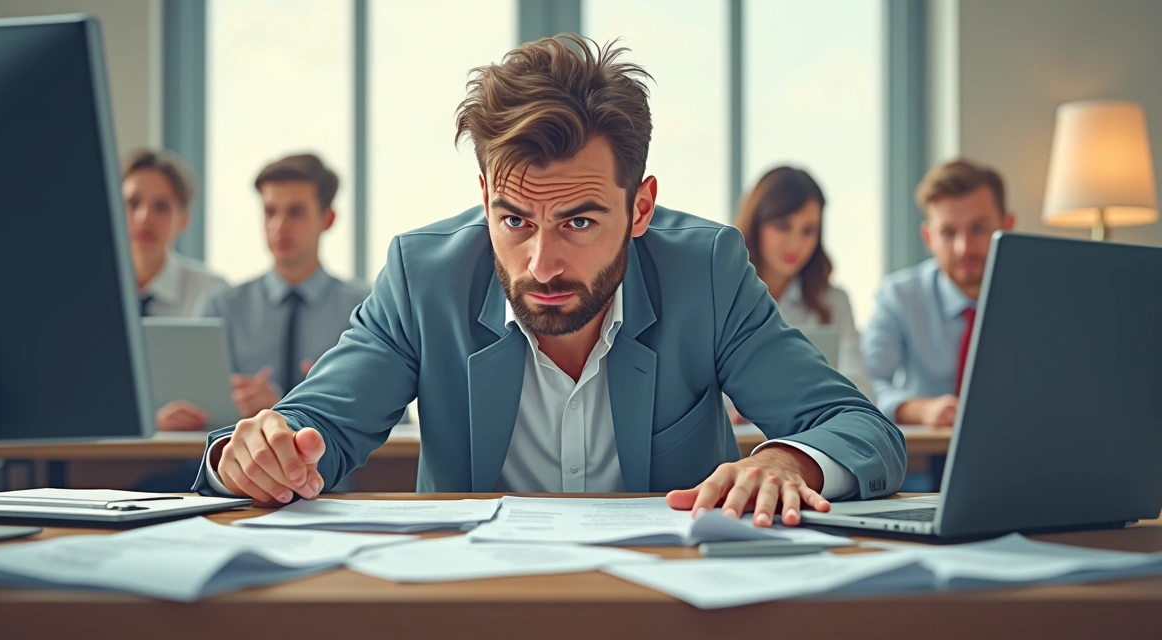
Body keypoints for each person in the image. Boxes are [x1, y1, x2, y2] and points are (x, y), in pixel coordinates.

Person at [192, 35, 905, 528]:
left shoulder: (708, 271)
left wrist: (788, 459)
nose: (541, 264)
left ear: (642, 207)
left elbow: (862, 430)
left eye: (580, 222)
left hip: (670, 608)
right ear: (484, 201)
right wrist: (251, 455)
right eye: (514, 220)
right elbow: (311, 427)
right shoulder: (424, 277)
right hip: (481, 610)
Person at [156, 154, 372, 432]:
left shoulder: (364, 308)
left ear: (327, 219)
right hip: (235, 469)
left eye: (295, 212)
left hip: (336, 472)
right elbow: (191, 402)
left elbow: (396, 418)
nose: (279, 226)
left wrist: (294, 409)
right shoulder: (222, 307)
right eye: (270, 211)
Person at [862, 159, 1016, 427]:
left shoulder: (1039, 298)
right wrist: (920, 410)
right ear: (928, 237)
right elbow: (863, 383)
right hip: (923, 459)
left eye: (978, 229)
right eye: (948, 232)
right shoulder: (899, 296)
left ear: (1008, 225)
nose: (963, 248)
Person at [732, 166, 874, 402]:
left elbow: (861, 389)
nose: (795, 242)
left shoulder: (833, 301)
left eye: (808, 230)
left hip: (812, 435)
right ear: (756, 225)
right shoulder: (723, 294)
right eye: (783, 226)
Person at [122, 149, 228, 318]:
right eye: (132, 203)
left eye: (161, 207)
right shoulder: (84, 288)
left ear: (183, 220)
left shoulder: (212, 293)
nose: (144, 218)